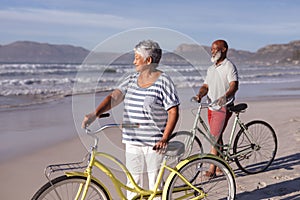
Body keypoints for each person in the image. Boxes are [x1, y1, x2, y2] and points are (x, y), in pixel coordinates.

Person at [82, 40, 180, 199]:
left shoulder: (164, 81)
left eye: (137, 57)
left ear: (148, 61)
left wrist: (165, 138)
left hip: (154, 142)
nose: (134, 61)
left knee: (155, 186)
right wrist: (95, 114)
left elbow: (173, 111)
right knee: (133, 183)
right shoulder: (131, 79)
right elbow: (114, 97)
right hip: (132, 139)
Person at [195, 39, 239, 176]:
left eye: (215, 49)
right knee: (217, 136)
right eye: (211, 49)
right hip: (211, 106)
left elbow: (234, 86)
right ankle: (221, 164)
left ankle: (212, 168)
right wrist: (199, 95)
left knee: (214, 136)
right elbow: (206, 86)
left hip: (224, 106)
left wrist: (224, 97)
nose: (212, 51)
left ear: (224, 49)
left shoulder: (229, 67)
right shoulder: (211, 68)